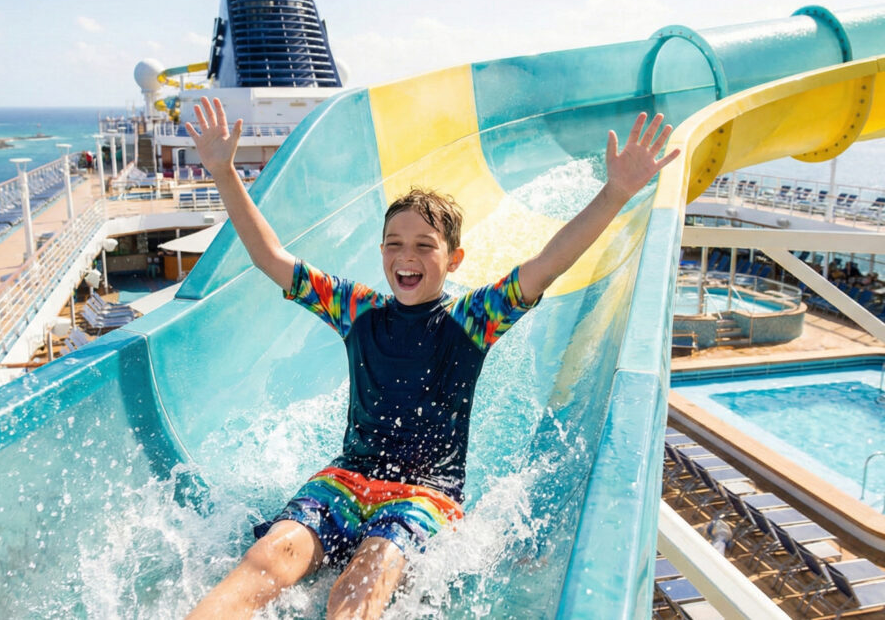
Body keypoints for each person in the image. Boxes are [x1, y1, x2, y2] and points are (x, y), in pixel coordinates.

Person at [184, 97, 679, 619]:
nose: (407, 256)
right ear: (381, 253)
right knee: (267, 559)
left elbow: (548, 264)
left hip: (423, 495)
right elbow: (271, 258)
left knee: (361, 582)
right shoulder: (358, 309)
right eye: (395, 243)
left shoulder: (470, 320)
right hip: (343, 480)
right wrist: (223, 172)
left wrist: (616, 192)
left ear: (454, 258)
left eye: (425, 245)